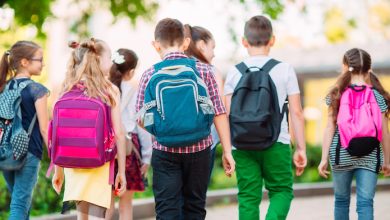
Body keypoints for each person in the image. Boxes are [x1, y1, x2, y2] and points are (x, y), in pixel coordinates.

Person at [136, 18, 235, 220]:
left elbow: (140, 118)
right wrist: (227, 151)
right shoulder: (204, 71)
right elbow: (219, 112)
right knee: (195, 208)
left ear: (156, 45)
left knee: (166, 211)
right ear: (186, 43)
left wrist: (164, 130)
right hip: (200, 150)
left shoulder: (148, 75)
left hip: (164, 152)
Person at [224, 15, 307, 220]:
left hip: (241, 144)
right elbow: (296, 112)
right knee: (281, 191)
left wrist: (227, 150)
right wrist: (301, 148)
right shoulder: (284, 69)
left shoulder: (234, 72)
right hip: (276, 142)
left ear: (244, 41)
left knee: (248, 197)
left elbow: (226, 114)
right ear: (272, 40)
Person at [51, 38, 127, 219]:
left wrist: (58, 170)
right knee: (97, 215)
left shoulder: (66, 88)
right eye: (109, 57)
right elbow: (119, 134)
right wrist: (121, 172)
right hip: (99, 163)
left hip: (72, 163)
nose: (112, 62)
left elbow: (58, 132)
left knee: (81, 215)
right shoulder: (109, 89)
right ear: (99, 60)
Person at [318, 48, 390, 220]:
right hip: (370, 156)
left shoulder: (336, 95)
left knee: (341, 201)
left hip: (341, 155)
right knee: (365, 203)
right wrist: (387, 160)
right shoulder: (377, 96)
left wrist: (323, 159)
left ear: (345, 66)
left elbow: (329, 128)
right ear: (369, 69)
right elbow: (384, 132)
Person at [0, 41, 49, 220]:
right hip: (29, 151)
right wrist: (55, 156)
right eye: (40, 60)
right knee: (20, 204)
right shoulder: (38, 90)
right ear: (24, 62)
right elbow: (45, 129)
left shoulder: (3, 87)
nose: (43, 64)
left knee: (20, 202)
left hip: (5, 151)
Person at [105, 48, 152, 220]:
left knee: (106, 204)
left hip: (107, 147)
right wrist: (147, 157)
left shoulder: (104, 89)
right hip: (129, 148)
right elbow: (142, 126)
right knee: (126, 204)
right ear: (131, 71)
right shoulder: (136, 91)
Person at [183, 24, 224, 181]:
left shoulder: (175, 68)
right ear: (201, 45)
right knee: (197, 196)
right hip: (206, 142)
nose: (213, 54)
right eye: (212, 47)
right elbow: (221, 110)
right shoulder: (212, 71)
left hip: (175, 142)